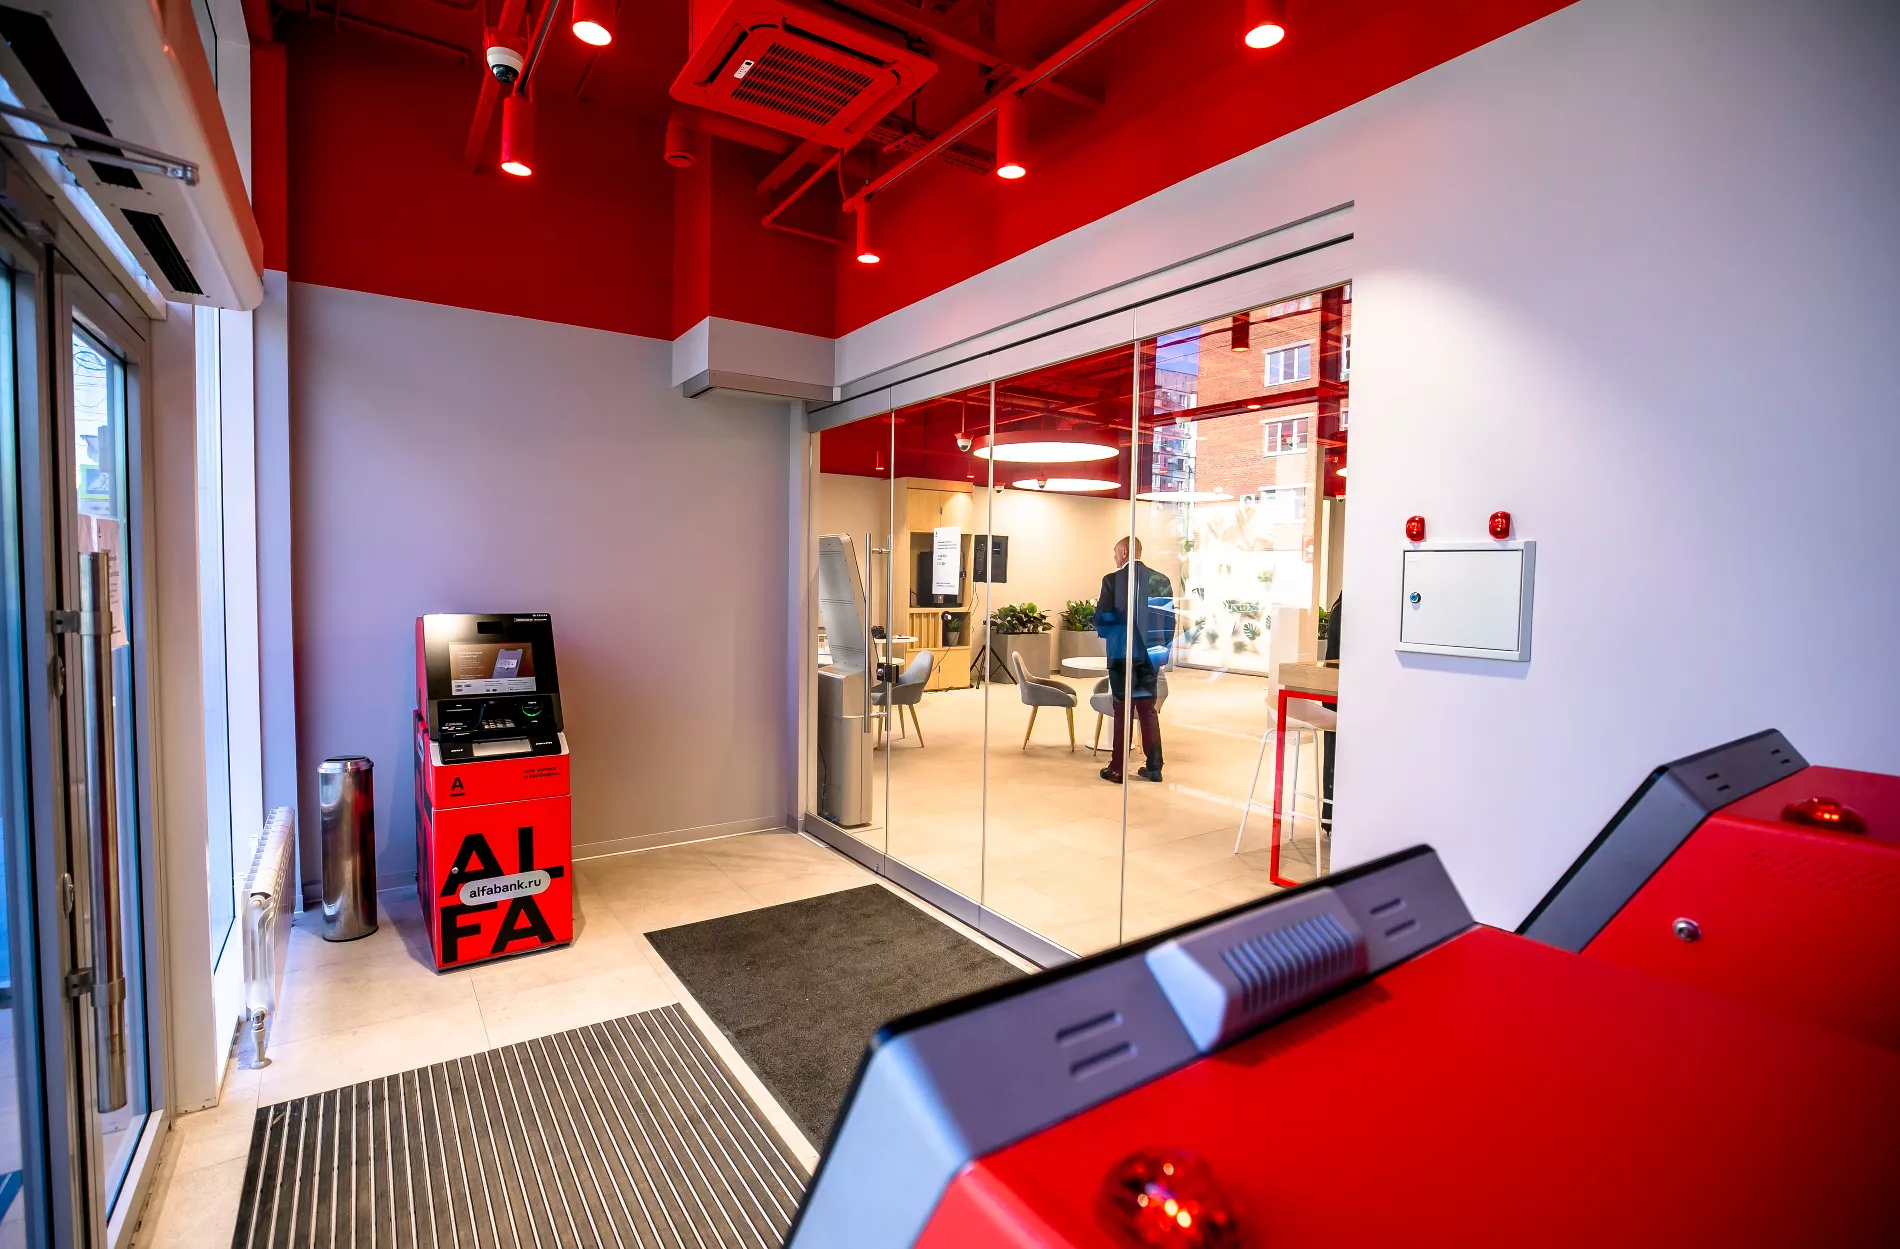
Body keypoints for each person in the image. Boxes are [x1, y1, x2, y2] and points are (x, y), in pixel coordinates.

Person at [1095, 537, 1176, 783]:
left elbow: (1102, 620)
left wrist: (1112, 633)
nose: (1114, 558)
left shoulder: (1112, 580)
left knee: (1122, 709)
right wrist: (1162, 651)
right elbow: (1170, 621)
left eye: (1115, 553)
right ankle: (1154, 767)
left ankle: (1118, 768)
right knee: (1147, 710)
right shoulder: (1161, 581)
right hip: (1151, 655)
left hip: (1122, 654)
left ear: (1124, 552)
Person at [1320, 591, 1341, 833]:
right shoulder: (1344, 608)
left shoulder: (1341, 606)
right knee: (1336, 754)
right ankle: (1331, 818)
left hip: (1335, 694)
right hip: (1337, 695)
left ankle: (1331, 819)